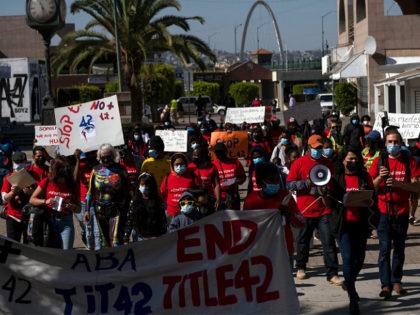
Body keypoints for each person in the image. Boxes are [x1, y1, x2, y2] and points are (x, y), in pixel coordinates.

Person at [368, 128, 420, 299]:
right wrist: (379, 179)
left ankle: (396, 280)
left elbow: (416, 187)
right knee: (384, 249)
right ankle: (385, 284)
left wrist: (399, 184)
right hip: (384, 210)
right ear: (385, 144)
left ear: (401, 143)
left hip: (402, 210)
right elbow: (369, 188)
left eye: (396, 142)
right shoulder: (379, 161)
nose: (393, 145)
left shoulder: (408, 161)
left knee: (399, 248)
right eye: (390, 142)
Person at [286, 134, 343, 285]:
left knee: (328, 241)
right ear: (309, 147)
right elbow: (289, 185)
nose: (318, 151)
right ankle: (301, 267)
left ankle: (332, 273)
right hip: (305, 209)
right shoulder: (299, 163)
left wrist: (326, 189)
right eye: (315, 148)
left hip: (323, 209)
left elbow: (331, 183)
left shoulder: (327, 162)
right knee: (303, 240)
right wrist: (306, 183)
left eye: (320, 148)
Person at [329, 146, 376, 314]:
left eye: (355, 159)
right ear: (343, 160)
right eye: (349, 159)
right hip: (343, 225)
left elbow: (373, 198)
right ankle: (352, 293)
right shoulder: (336, 178)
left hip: (361, 224)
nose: (353, 162)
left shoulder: (365, 177)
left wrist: (368, 201)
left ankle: (349, 283)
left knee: (360, 259)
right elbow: (330, 202)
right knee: (348, 258)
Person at [243, 162, 305, 267]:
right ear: (260, 183)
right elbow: (246, 229)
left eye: (277, 179)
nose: (275, 183)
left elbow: (301, 223)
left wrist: (288, 214)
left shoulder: (285, 197)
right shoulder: (251, 201)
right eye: (271, 180)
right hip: (261, 252)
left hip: (284, 249)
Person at [85, 144, 132, 247]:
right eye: (103, 157)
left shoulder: (121, 170)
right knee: (104, 240)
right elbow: (89, 192)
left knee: (115, 240)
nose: (106, 159)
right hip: (100, 210)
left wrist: (130, 208)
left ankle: (118, 260)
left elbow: (129, 191)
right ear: (99, 157)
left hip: (116, 209)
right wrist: (87, 210)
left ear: (113, 155)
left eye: (108, 156)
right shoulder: (95, 170)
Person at [29, 156, 80, 249]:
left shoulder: (73, 185)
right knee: (51, 252)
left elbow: (79, 209)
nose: (62, 179)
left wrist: (73, 207)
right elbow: (32, 200)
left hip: (66, 222)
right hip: (49, 221)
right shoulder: (47, 181)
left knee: (66, 252)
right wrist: (45, 201)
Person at [123, 172, 167, 242]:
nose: (146, 187)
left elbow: (163, 221)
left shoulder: (158, 201)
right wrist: (126, 238)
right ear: (138, 186)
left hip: (156, 237)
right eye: (142, 184)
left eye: (148, 184)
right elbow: (129, 220)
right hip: (140, 238)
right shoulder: (134, 202)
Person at [1, 152, 33, 243]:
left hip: (30, 217)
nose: (18, 165)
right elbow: (4, 199)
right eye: (17, 162)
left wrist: (31, 192)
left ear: (25, 162)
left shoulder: (32, 176)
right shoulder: (8, 178)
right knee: (13, 244)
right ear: (13, 162)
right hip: (13, 216)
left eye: (21, 162)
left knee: (30, 243)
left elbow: (40, 194)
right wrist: (12, 192)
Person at [73, 149, 101, 250]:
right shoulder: (81, 166)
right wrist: (77, 160)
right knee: (86, 229)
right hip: (83, 202)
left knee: (96, 230)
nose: (90, 157)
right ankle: (89, 245)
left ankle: (96, 249)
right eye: (88, 154)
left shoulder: (99, 166)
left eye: (92, 154)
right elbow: (75, 179)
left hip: (96, 201)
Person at [160, 153, 201, 219]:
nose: (179, 166)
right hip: (172, 213)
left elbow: (199, 192)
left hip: (189, 214)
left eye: (181, 164)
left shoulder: (192, 176)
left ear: (186, 164)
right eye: (177, 164)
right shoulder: (168, 178)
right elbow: (163, 193)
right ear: (172, 166)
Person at [212, 142, 246, 210]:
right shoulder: (213, 164)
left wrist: (238, 181)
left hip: (233, 196)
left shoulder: (235, 162)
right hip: (218, 197)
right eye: (217, 153)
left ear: (226, 151)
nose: (219, 154)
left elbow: (243, 177)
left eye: (221, 152)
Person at [189, 146, 221, 211]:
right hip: (193, 200)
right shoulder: (190, 167)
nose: (194, 158)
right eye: (193, 155)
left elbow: (216, 185)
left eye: (197, 155)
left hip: (208, 200)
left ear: (203, 156)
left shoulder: (211, 167)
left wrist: (218, 199)